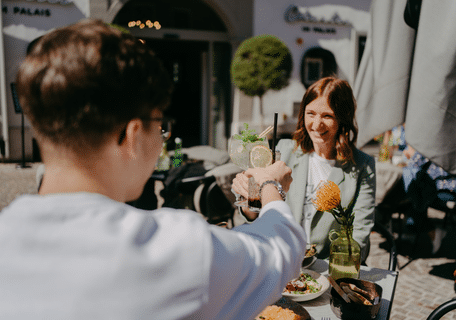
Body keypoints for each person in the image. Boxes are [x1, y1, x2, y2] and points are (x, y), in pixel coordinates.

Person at [0, 19, 306, 319]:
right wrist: (270, 185)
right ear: (132, 135)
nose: (161, 140)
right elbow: (282, 249)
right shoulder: (176, 251)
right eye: (159, 126)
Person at [235, 77, 376, 262]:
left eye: (327, 116)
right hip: (280, 259)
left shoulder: (362, 166)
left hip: (328, 267)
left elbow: (359, 234)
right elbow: (254, 216)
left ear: (343, 118)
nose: (317, 125)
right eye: (311, 113)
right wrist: (249, 201)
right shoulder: (282, 151)